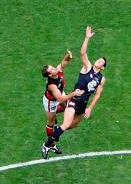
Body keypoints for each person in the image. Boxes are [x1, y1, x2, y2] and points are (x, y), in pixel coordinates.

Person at [42, 26, 106, 157]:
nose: (98, 61)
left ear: (103, 67)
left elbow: (98, 94)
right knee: (65, 124)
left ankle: (56, 132)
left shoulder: (102, 78)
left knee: (73, 125)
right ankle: (48, 144)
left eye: (101, 61)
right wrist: (87, 38)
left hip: (83, 104)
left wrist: (90, 108)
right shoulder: (87, 67)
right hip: (73, 100)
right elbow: (83, 53)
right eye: (98, 59)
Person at [40, 50, 84, 158]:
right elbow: (60, 99)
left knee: (66, 109)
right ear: (50, 75)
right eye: (52, 69)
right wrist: (74, 93)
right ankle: (51, 144)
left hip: (61, 94)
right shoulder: (52, 85)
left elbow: (64, 61)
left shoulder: (58, 71)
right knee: (50, 122)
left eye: (53, 67)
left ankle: (57, 125)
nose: (55, 68)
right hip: (52, 102)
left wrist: (69, 56)